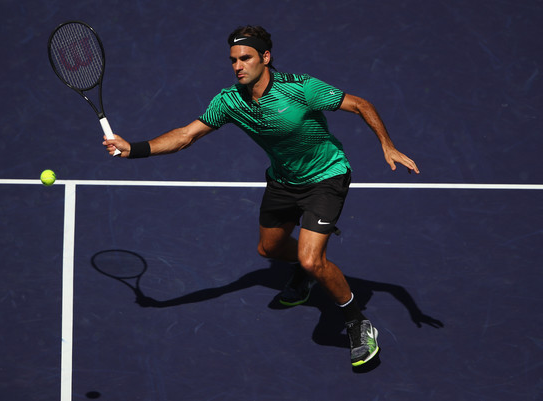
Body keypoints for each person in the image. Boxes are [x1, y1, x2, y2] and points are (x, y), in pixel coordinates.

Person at [103, 25, 420, 367]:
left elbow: (360, 104)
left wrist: (387, 145)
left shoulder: (300, 89)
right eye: (233, 60)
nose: (238, 66)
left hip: (326, 177)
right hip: (283, 182)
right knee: (268, 249)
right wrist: (133, 149)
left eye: (246, 58)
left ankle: (358, 322)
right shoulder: (229, 101)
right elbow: (185, 136)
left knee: (313, 260)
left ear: (265, 58)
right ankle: (304, 271)